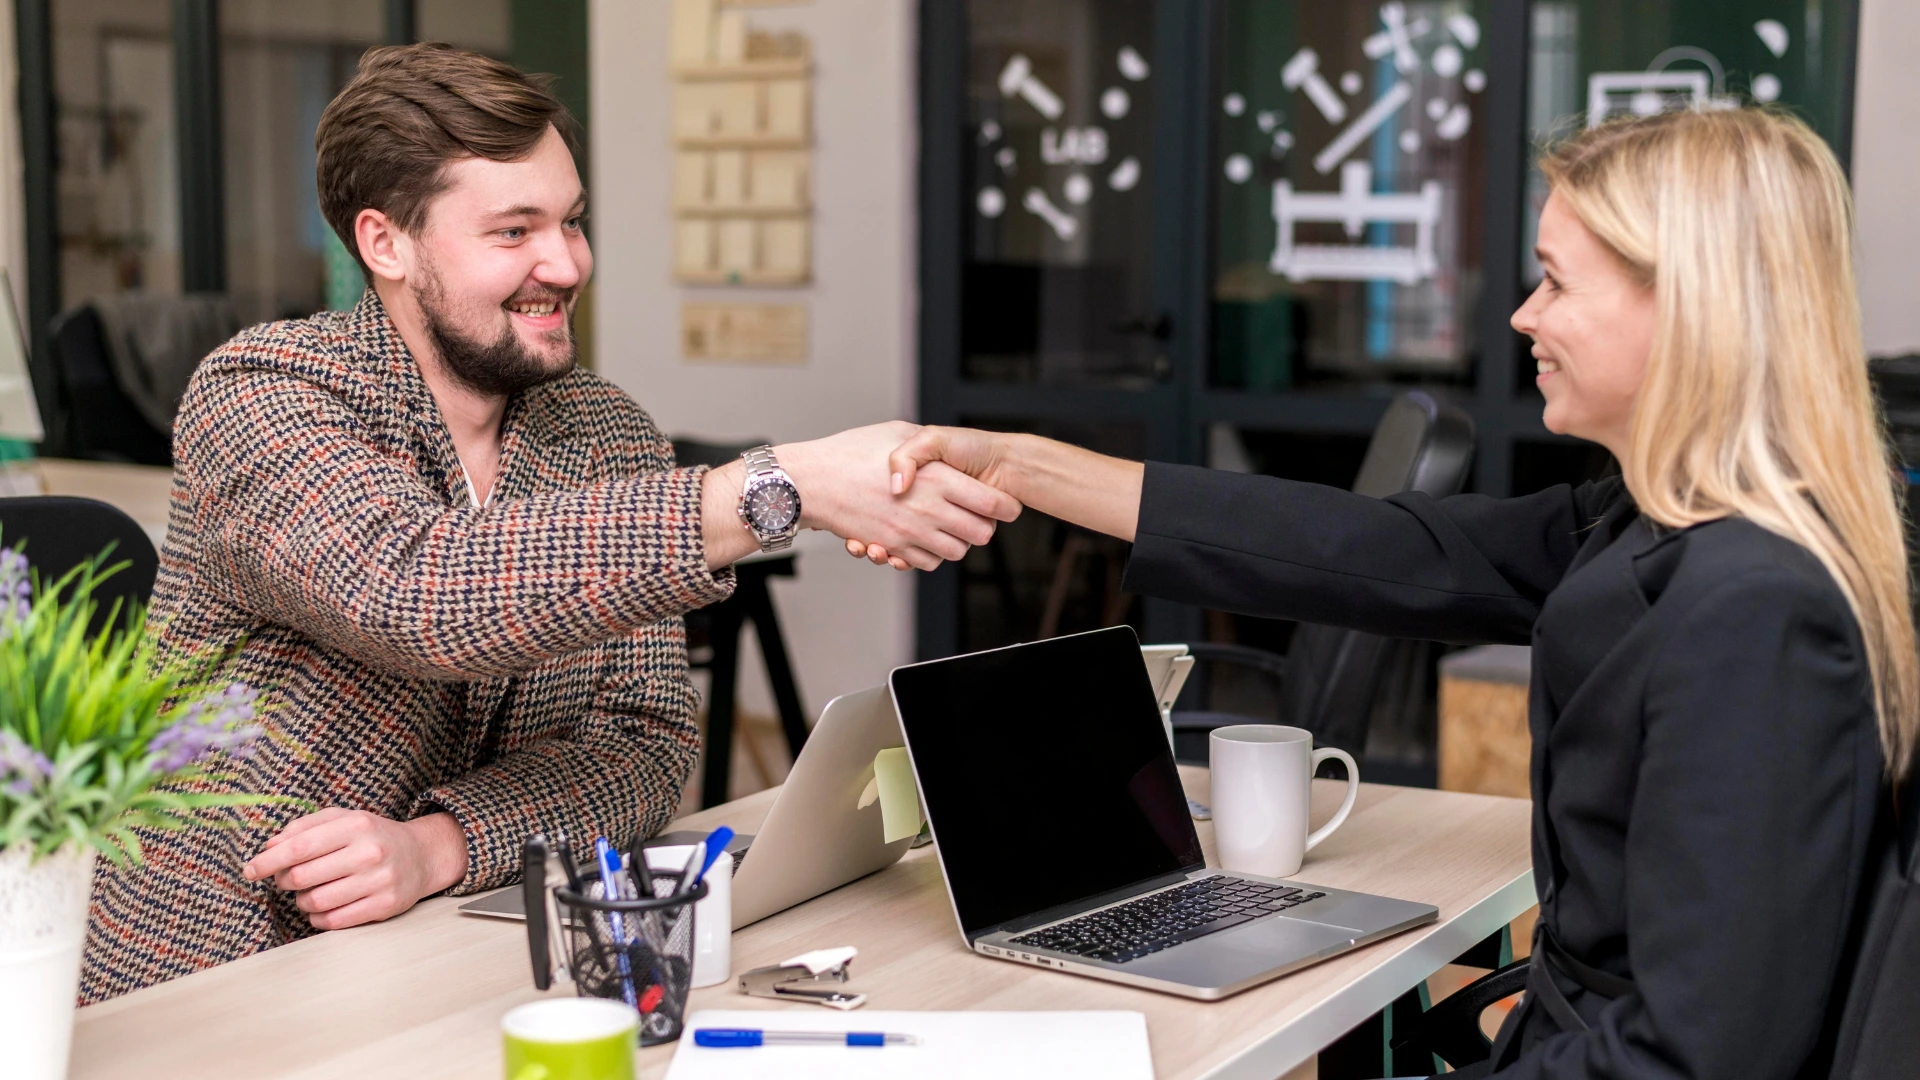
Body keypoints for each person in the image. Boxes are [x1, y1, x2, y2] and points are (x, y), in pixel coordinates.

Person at [856, 108, 1914, 1078]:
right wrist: (1026, 466)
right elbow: (1382, 547)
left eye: (1555, 280)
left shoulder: (1756, 605)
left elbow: (1699, 1056)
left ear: (1689, 306)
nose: (1521, 314)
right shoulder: (1655, 519)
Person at [80, 43, 1016, 1003]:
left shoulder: (603, 429)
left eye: (570, 221)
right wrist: (779, 488)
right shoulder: (261, 392)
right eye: (514, 230)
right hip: (202, 967)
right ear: (385, 243)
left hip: (445, 952)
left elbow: (643, 748)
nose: (566, 263)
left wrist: (437, 845)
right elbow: (416, 593)